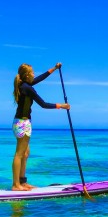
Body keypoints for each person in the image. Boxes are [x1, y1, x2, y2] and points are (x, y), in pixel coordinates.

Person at [12, 62, 70, 191]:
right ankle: (16, 185)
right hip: (22, 123)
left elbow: (40, 78)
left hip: (22, 122)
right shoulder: (27, 88)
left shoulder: (25, 85)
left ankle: (22, 181)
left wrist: (54, 68)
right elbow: (43, 104)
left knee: (26, 153)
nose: (34, 74)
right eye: (32, 72)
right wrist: (62, 106)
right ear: (27, 75)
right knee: (19, 154)